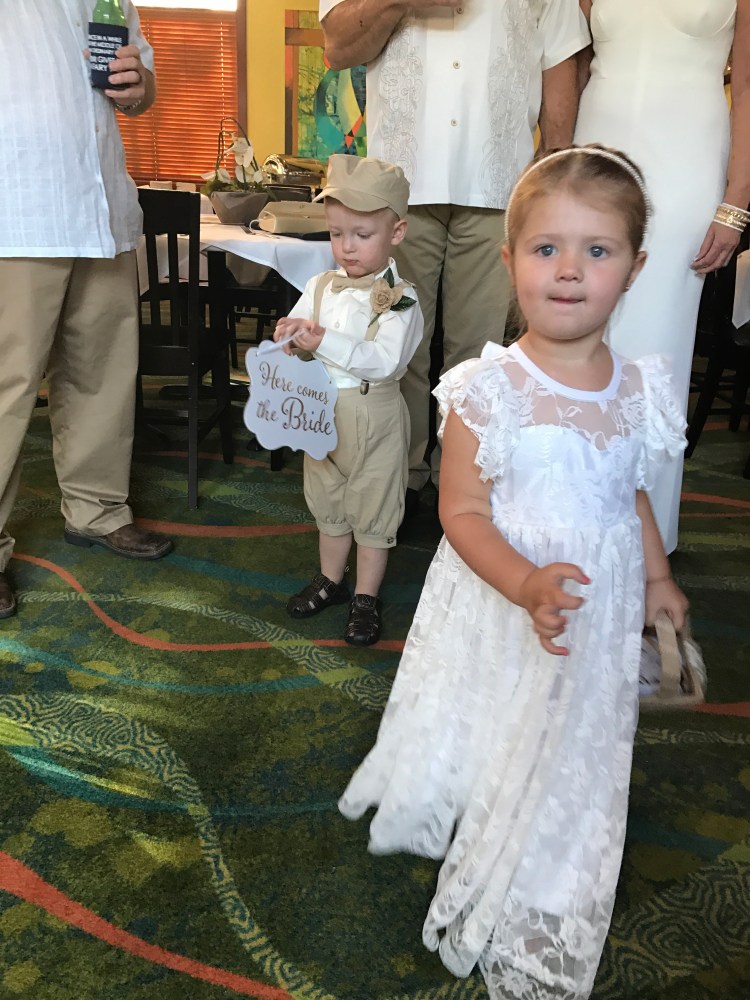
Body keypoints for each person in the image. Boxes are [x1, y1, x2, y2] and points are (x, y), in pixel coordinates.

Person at [339, 146, 690, 998]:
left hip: (592, 605)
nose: (569, 271)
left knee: (571, 729)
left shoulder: (637, 387)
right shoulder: (488, 387)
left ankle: (550, 834)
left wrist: (655, 580)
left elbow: (628, 492)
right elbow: (460, 511)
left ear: (635, 267)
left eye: (597, 250)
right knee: (498, 717)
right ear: (509, 261)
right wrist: (524, 583)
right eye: (546, 249)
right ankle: (491, 808)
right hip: (508, 597)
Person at [319, 0, 590, 516]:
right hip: (399, 188)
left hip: (499, 181)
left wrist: (555, 160)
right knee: (396, 348)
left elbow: (560, 52)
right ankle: (396, 477)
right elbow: (337, 46)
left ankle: (460, 485)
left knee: (478, 356)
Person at [0, 1, 173, 621]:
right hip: (19, 210)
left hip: (104, 210)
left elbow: (140, 90)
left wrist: (138, 86)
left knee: (103, 372)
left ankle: (97, 510)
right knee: (7, 386)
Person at [574, 0, 750, 553]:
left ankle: (645, 542)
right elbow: (572, 66)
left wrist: (736, 202)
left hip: (687, 159)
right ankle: (569, 516)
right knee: (581, 330)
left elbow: (747, 87)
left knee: (658, 346)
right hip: (596, 153)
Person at [273, 155, 423, 646]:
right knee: (328, 499)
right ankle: (331, 580)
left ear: (397, 232)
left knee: (374, 507)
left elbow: (385, 362)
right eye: (337, 233)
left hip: (373, 416)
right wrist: (291, 336)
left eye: (362, 234)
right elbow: (301, 336)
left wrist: (323, 341)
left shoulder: (402, 299)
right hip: (321, 413)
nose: (347, 246)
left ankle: (365, 596)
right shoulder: (319, 285)